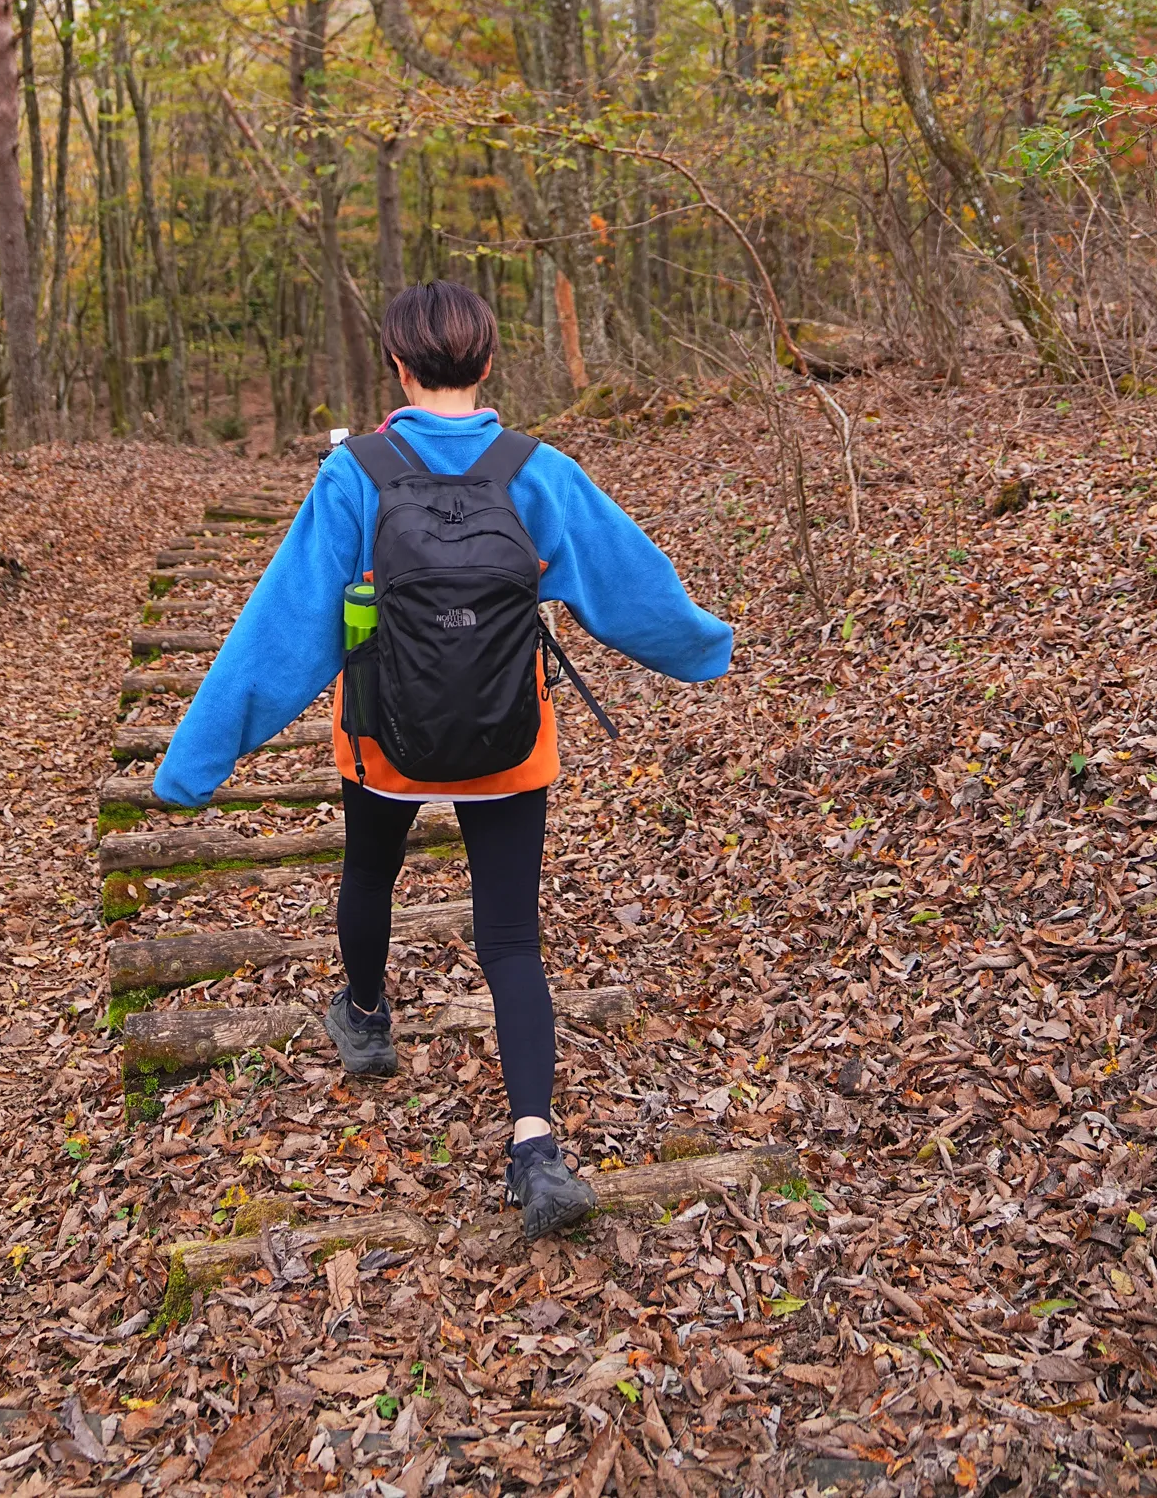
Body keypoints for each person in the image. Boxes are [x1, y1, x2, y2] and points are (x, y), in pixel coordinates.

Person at [151, 280, 732, 1236]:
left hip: (384, 741)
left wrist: (193, 764)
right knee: (509, 941)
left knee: (370, 872)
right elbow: (635, 591)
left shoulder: (356, 475)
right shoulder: (536, 471)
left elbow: (283, 631)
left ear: (399, 364)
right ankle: (536, 1149)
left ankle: (368, 1016)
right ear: (490, 361)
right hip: (511, 744)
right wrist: (706, 646)